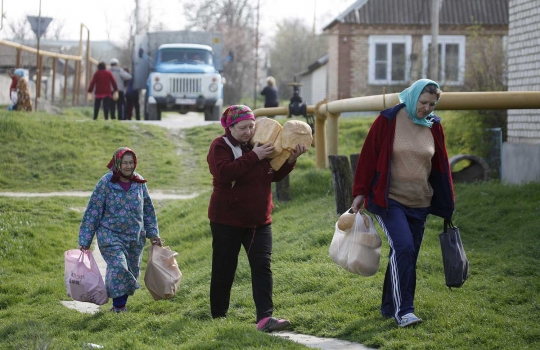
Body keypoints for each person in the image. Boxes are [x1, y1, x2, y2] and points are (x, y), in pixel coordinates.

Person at [351, 79, 455, 328]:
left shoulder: (434, 126)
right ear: (412, 97)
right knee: (404, 247)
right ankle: (404, 311)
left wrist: (447, 200)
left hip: (420, 201)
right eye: (423, 102)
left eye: (432, 104)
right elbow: (368, 157)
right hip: (390, 201)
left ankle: (388, 306)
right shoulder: (387, 121)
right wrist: (359, 192)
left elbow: (441, 166)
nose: (427, 108)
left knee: (405, 254)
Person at [207, 105, 307, 332]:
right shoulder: (220, 146)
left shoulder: (261, 143)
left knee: (262, 267)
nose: (248, 131)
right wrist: (254, 155)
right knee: (224, 268)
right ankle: (218, 317)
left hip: (259, 221)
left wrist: (291, 160)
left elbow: (272, 174)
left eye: (251, 126)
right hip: (226, 220)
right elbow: (224, 173)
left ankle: (265, 318)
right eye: (242, 127)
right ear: (229, 127)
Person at [78, 147, 162, 312]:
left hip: (134, 237)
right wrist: (85, 240)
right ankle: (119, 308)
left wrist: (153, 234)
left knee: (130, 270)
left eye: (131, 163)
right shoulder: (106, 183)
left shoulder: (139, 182)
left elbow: (148, 210)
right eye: (124, 163)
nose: (128, 166)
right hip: (110, 235)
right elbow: (93, 211)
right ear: (117, 163)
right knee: (118, 267)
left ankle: (119, 305)